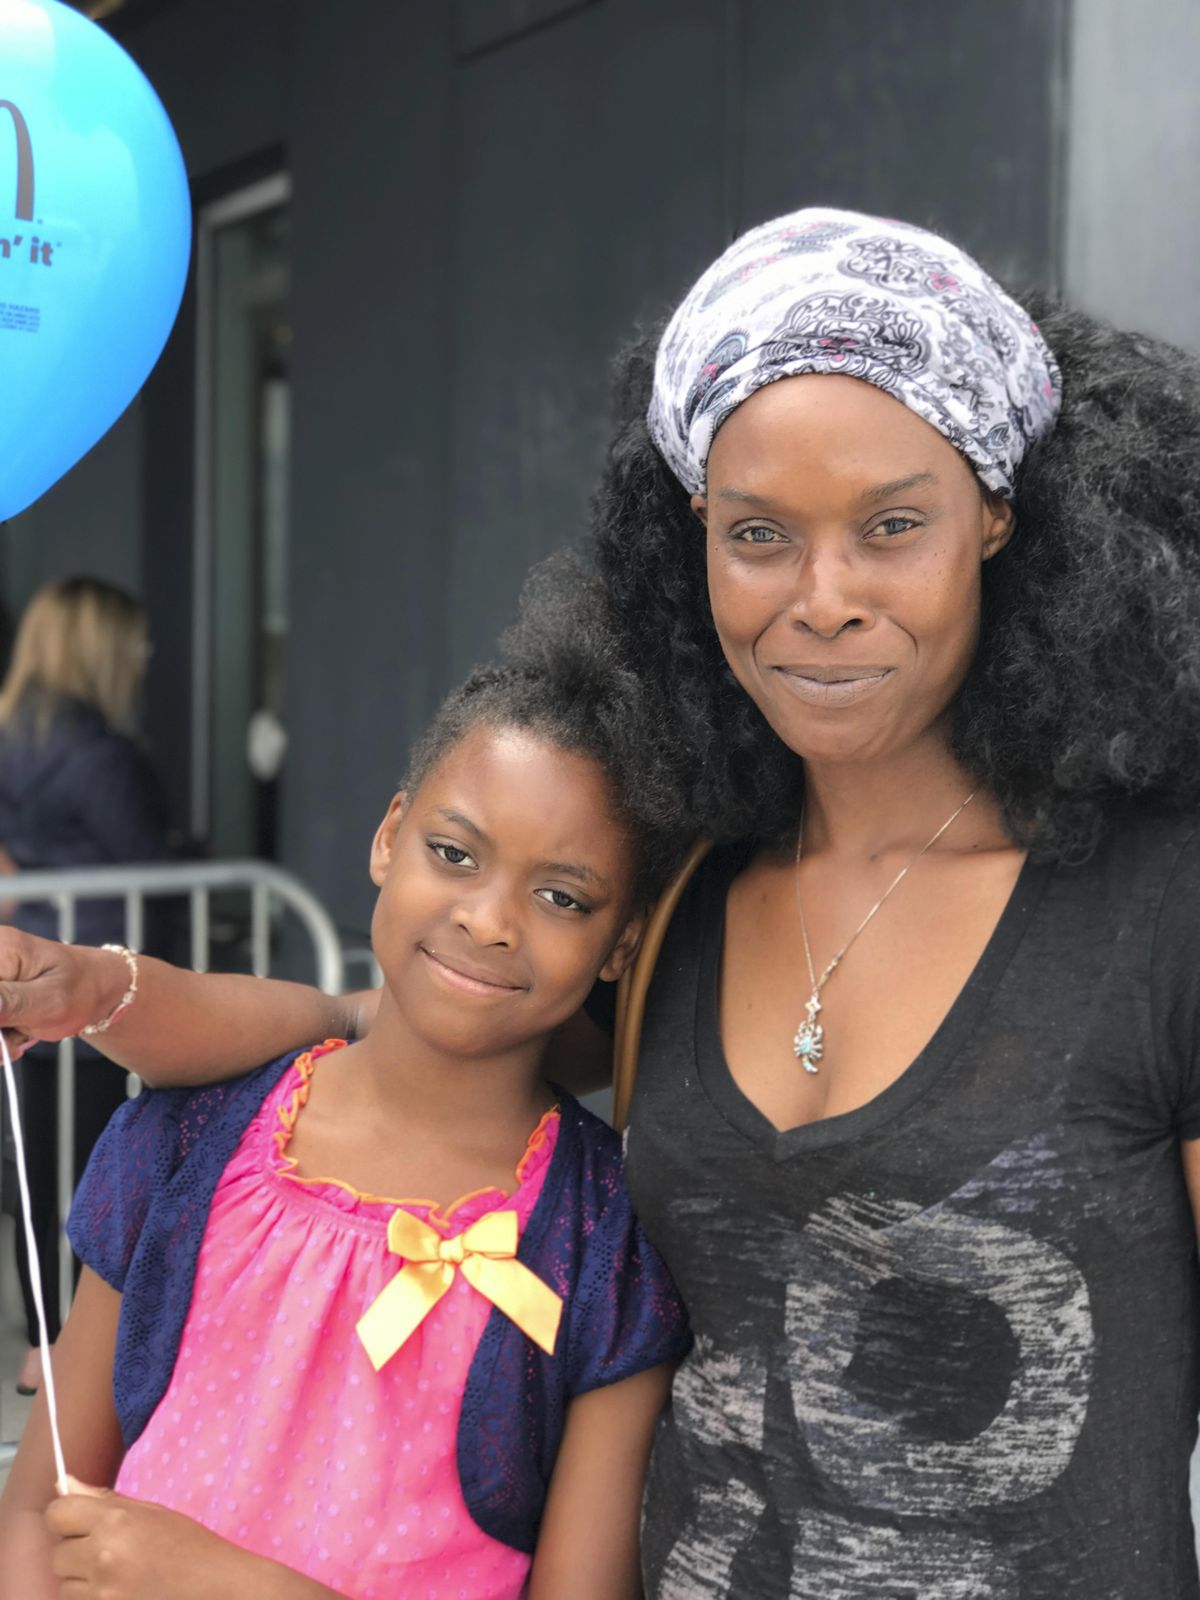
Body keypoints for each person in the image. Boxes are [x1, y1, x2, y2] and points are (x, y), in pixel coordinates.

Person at [0, 204, 1197, 1595]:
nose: (821, 599)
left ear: (997, 517)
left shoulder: (1153, 907)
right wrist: (101, 991)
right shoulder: (683, 897)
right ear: (693, 537)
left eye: (891, 527)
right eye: (759, 533)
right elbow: (375, 1029)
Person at [0, 612, 691, 1600]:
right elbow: (39, 1507)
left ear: (620, 946)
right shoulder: (181, 1143)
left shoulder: (603, 1242)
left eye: (563, 896)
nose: (488, 919)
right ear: (387, 835)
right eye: (455, 853)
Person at [0, 577, 171, 1397]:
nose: (145, 656)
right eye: (133, 641)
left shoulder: (12, 734)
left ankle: (44, 1342)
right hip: (104, 982)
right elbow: (155, 869)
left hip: (32, 971)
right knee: (103, 1167)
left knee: (38, 1165)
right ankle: (85, 1351)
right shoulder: (103, 755)